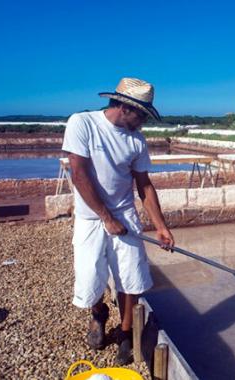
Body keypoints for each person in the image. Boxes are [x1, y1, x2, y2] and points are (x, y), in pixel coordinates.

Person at [62, 77, 175, 364]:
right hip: (91, 216)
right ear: (124, 107)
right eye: (142, 115)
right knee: (90, 278)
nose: (144, 123)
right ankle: (98, 312)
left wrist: (161, 227)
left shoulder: (137, 141)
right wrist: (105, 217)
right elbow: (79, 174)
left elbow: (144, 186)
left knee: (132, 279)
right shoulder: (82, 123)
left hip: (124, 214)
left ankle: (125, 335)